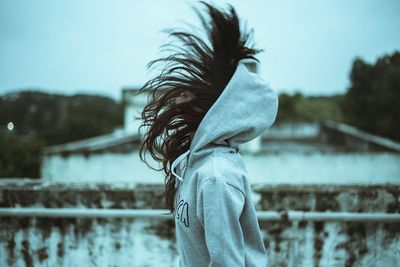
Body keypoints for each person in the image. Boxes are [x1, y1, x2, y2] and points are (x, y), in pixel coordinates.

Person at [138, 2, 278, 266]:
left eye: (194, 90)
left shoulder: (216, 177)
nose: (181, 97)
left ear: (213, 105)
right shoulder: (197, 165)